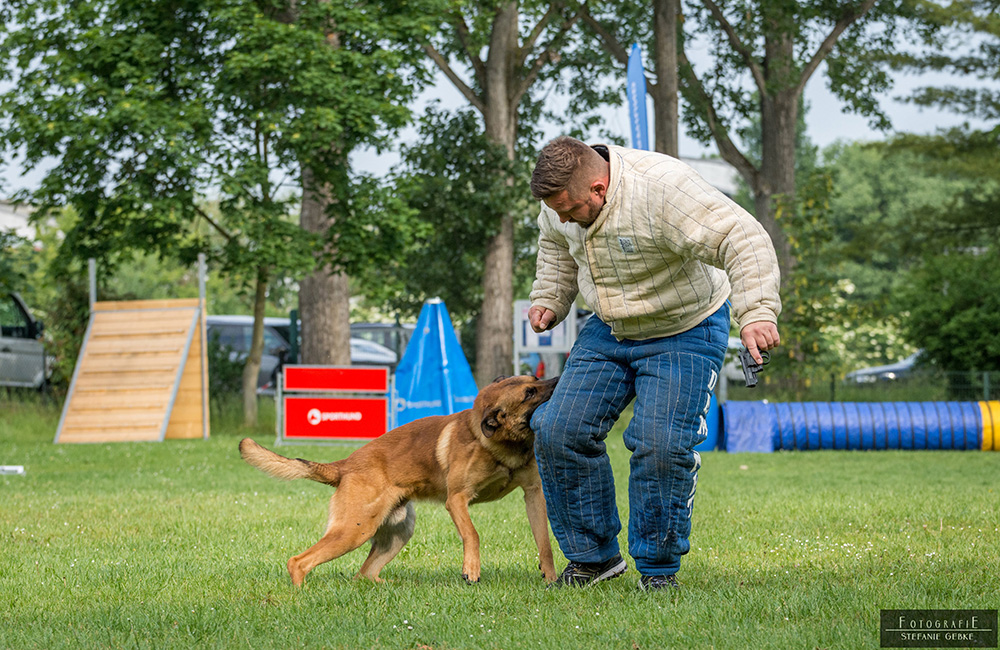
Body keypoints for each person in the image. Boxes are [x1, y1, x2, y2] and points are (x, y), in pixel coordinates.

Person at [527, 136, 781, 591]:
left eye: (570, 209)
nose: (562, 217)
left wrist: (756, 312)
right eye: (556, 210)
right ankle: (594, 558)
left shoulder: (663, 188)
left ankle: (658, 570)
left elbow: (741, 238)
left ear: (599, 189)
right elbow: (555, 247)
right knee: (558, 429)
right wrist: (550, 298)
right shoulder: (559, 202)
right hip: (610, 327)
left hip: (685, 326)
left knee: (660, 444)